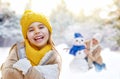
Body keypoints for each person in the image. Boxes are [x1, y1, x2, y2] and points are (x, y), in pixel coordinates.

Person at [1, 10, 62, 79]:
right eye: (31, 30)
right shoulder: (18, 50)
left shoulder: (54, 56)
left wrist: (28, 70)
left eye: (41, 27)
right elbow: (8, 74)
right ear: (26, 35)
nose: (37, 31)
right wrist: (38, 73)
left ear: (48, 30)